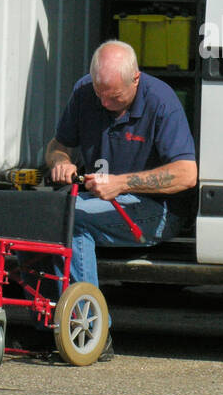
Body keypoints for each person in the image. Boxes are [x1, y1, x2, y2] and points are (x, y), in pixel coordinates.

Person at [45, 40, 198, 361]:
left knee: (70, 219)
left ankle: (93, 332)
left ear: (136, 79)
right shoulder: (85, 92)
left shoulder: (161, 102)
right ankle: (50, 321)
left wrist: (120, 183)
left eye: (113, 96)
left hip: (158, 212)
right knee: (43, 219)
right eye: (99, 93)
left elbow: (186, 174)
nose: (104, 102)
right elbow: (57, 145)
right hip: (100, 203)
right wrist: (61, 162)